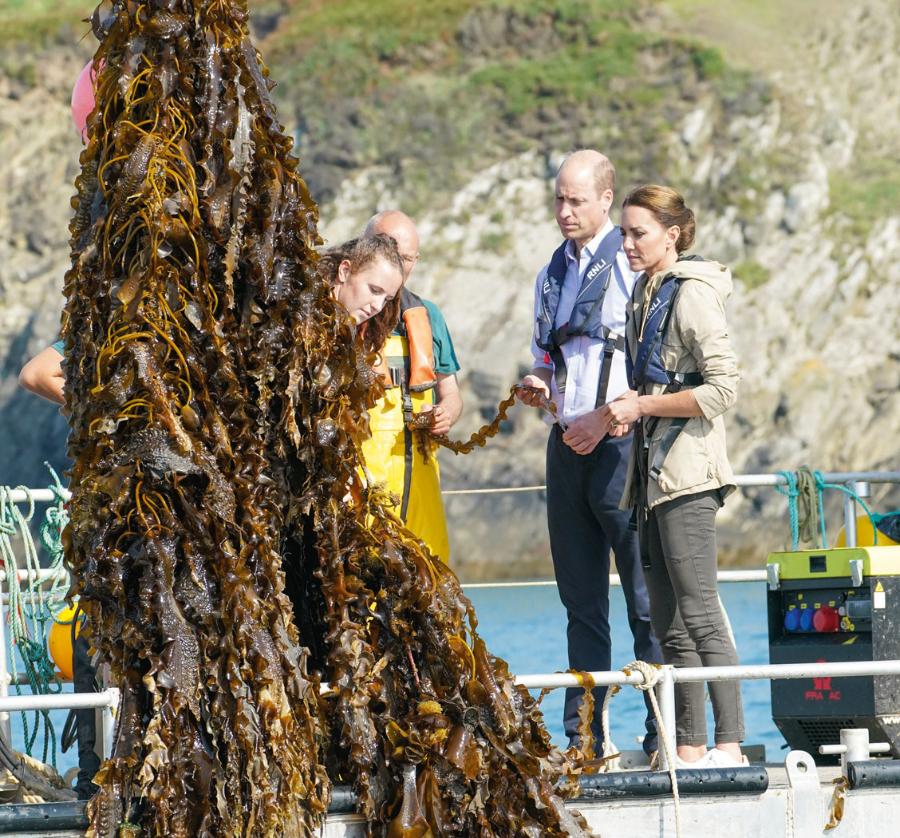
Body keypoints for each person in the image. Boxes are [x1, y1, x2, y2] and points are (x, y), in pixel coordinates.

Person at [517, 150, 663, 756]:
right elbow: (548, 357)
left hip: (621, 446)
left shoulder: (631, 268)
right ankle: (585, 735)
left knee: (642, 597)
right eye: (558, 199)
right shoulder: (550, 274)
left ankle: (665, 730)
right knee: (580, 601)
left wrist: (613, 417)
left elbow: (654, 365)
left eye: (576, 200)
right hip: (566, 443)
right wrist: (536, 385)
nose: (564, 211)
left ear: (605, 199)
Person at [600, 184, 745, 767]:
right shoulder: (643, 293)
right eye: (624, 233)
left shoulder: (691, 295)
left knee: (701, 611)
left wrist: (641, 407)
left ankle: (730, 745)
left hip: (687, 477)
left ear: (673, 234)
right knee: (670, 627)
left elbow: (722, 388)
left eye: (638, 233)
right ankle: (686, 748)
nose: (628, 244)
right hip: (650, 479)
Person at [358, 211, 462, 563]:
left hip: (420, 471)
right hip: (363, 477)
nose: (399, 267)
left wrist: (446, 414)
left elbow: (452, 394)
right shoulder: (352, 311)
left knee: (431, 578)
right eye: (389, 253)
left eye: (406, 258)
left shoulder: (427, 315)